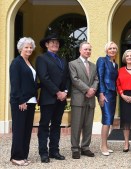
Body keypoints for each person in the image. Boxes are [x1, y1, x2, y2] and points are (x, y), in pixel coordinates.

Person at [36, 34, 69, 163]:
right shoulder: (41, 59)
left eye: (57, 42)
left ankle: (54, 151)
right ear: (46, 45)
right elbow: (44, 78)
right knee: (44, 126)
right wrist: (57, 92)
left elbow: (67, 78)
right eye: (52, 42)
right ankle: (43, 153)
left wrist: (65, 92)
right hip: (48, 98)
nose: (55, 44)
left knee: (56, 125)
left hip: (61, 99)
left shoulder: (63, 60)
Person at [9, 37, 38, 166]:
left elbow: (31, 83)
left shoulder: (28, 63)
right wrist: (21, 100)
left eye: (31, 47)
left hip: (30, 101)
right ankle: (16, 157)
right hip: (20, 102)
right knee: (19, 130)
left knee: (27, 130)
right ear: (21, 48)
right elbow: (15, 84)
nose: (29, 49)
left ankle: (23, 156)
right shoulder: (16, 62)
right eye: (26, 47)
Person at [69, 42, 99, 159]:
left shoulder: (93, 65)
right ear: (80, 51)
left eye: (89, 50)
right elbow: (74, 79)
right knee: (76, 125)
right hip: (78, 99)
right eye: (86, 49)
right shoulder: (72, 64)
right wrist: (87, 90)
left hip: (90, 99)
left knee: (88, 125)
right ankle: (75, 148)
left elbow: (96, 79)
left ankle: (85, 147)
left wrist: (93, 89)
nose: (88, 51)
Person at [96, 41, 118, 156]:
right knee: (107, 119)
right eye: (110, 48)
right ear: (106, 50)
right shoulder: (102, 60)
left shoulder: (115, 64)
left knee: (110, 120)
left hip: (113, 94)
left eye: (114, 48)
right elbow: (100, 77)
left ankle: (105, 144)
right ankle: (103, 145)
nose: (113, 50)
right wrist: (101, 93)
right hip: (105, 94)